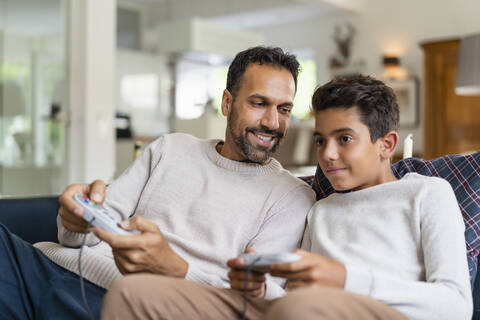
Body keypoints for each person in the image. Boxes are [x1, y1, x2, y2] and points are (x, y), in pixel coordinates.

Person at [101, 75, 472, 320]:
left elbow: (456, 305)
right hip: (296, 309)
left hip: (378, 311)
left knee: (300, 307)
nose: (327, 155)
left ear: (386, 144)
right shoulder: (320, 208)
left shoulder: (427, 192)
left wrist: (344, 279)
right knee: (134, 293)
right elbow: (286, 293)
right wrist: (261, 285)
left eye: (344, 139)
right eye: (320, 140)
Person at [0, 46, 315, 319]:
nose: (273, 123)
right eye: (259, 103)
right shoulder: (171, 148)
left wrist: (175, 268)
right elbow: (83, 236)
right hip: (46, 267)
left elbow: (256, 302)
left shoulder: (291, 197)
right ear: (228, 103)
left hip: (125, 303)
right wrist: (75, 222)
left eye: (284, 109)